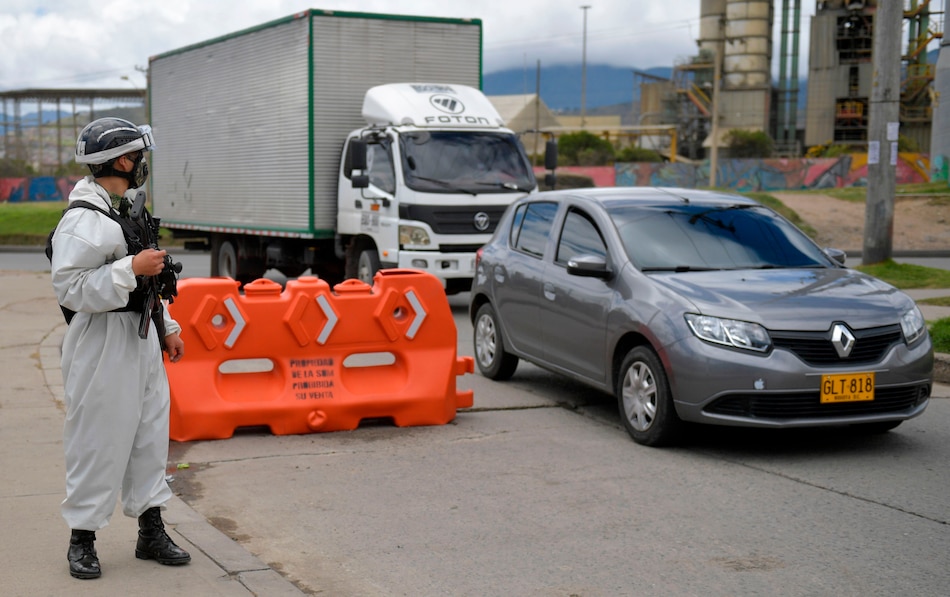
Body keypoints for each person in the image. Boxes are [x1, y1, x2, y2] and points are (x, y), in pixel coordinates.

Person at [50, 117, 191, 580]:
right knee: (97, 440)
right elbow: (71, 288)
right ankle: (82, 539)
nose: (142, 163)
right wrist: (130, 268)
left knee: (149, 436)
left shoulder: (126, 210)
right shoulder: (83, 220)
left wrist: (167, 327)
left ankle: (151, 530)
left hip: (142, 337)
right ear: (121, 161)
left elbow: (149, 279)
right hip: (103, 343)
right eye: (137, 156)